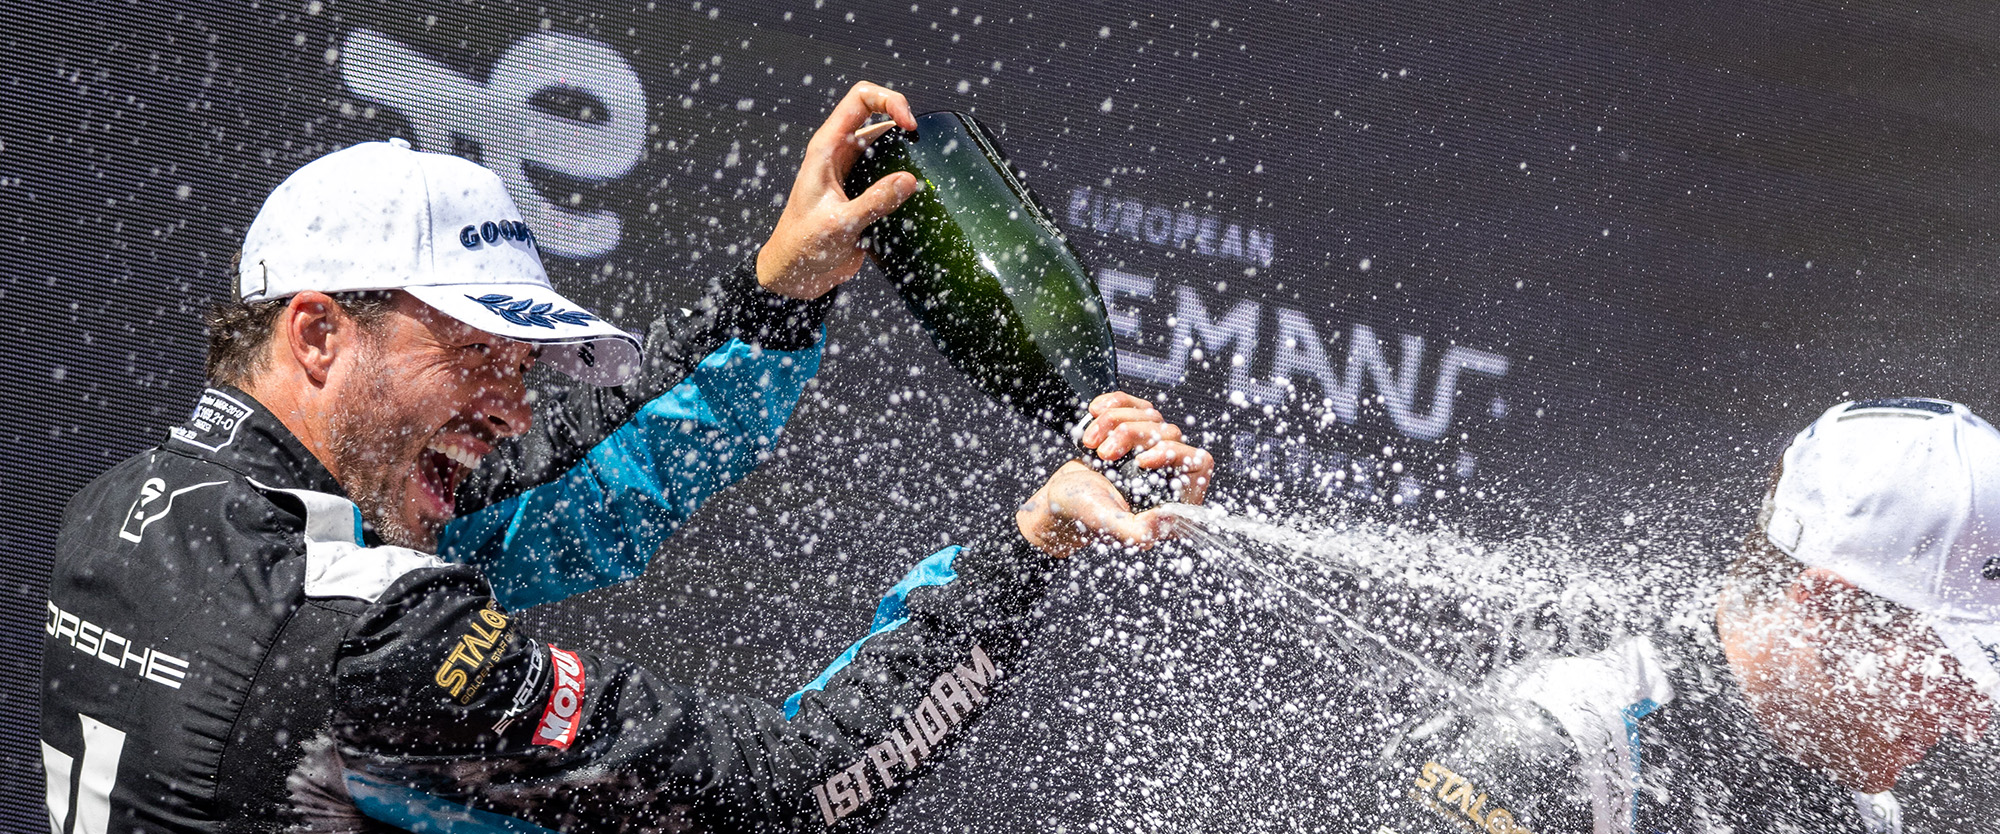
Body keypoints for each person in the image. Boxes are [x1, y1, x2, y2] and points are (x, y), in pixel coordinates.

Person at [38, 81, 1214, 834]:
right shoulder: (375, 632)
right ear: (316, 334)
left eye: (522, 365)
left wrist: (779, 296)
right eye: (476, 354)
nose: (511, 407)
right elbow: (783, 795)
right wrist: (1026, 550)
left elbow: (572, 488)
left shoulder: (140, 504)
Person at [1359, 397, 1997, 834]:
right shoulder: (1563, 739)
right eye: (1955, 664)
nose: (1974, 718)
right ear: (1828, 612)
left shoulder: (1859, 800)